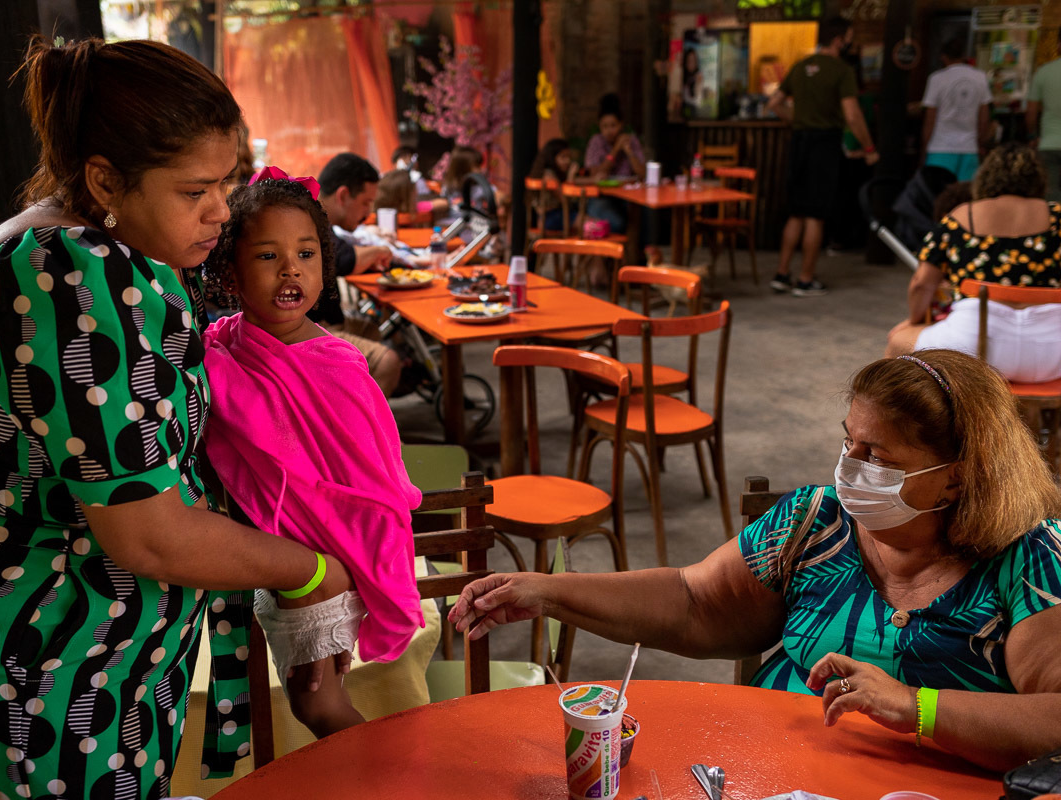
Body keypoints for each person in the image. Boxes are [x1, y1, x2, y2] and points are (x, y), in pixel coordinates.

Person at [0, 36, 352, 799]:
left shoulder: (101, 250)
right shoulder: (70, 274)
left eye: (227, 183)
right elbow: (149, 532)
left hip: (68, 649)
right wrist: (312, 570)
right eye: (195, 190)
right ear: (104, 177)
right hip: (31, 653)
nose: (219, 211)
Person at [450, 348, 1061, 773]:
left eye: (877, 456)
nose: (850, 465)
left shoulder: (1027, 562)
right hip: (773, 769)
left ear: (955, 479)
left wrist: (915, 707)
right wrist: (550, 592)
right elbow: (695, 601)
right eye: (849, 440)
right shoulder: (816, 523)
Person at [199, 171, 423, 737]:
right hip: (286, 552)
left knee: (317, 704)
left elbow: (372, 473)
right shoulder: (230, 340)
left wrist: (361, 563)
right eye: (268, 255)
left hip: (326, 549)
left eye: (306, 253)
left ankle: (382, 781)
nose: (290, 269)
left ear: (325, 266)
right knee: (314, 699)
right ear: (230, 270)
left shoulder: (336, 362)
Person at [886, 143, 1061, 382]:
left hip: (972, 347)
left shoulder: (961, 216)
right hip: (1052, 349)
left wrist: (914, 321)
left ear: (986, 177)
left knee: (897, 342)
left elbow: (921, 285)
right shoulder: (1057, 216)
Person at [766, 16, 879, 297]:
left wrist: (797, 121)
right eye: (850, 37)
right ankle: (805, 279)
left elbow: (774, 103)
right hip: (824, 143)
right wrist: (869, 148)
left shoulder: (801, 67)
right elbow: (853, 115)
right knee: (815, 215)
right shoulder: (842, 71)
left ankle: (782, 274)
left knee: (796, 212)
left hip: (799, 143)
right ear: (839, 40)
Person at [312, 152, 401, 396]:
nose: (368, 212)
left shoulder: (316, 216)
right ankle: (358, 432)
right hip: (307, 328)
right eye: (365, 203)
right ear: (343, 195)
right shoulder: (311, 219)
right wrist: (379, 251)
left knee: (372, 331)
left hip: (320, 321)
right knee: (388, 362)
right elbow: (343, 259)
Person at [921, 37, 992, 183]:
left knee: (938, 195)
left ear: (943, 57)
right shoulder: (980, 77)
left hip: (940, 148)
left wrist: (924, 147)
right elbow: (984, 116)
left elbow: (930, 118)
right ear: (964, 56)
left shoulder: (936, 78)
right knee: (965, 197)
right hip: (969, 147)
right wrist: (980, 142)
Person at [583, 92, 645, 235]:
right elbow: (596, 175)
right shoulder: (596, 142)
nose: (609, 131)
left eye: (613, 126)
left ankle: (641, 255)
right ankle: (614, 254)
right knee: (616, 223)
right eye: (605, 126)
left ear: (621, 125)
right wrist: (616, 150)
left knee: (644, 215)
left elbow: (642, 174)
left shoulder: (631, 141)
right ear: (599, 126)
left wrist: (629, 152)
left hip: (627, 196)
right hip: (601, 197)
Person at [1027, 28, 1061, 203]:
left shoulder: (1044, 72)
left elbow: (1031, 113)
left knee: (1051, 199)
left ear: (1058, 45)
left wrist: (1032, 136)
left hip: (1048, 144)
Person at [528, 137, 580, 232]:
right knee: (593, 225)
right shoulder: (549, 176)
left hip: (556, 215)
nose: (567, 161)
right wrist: (571, 177)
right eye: (563, 157)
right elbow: (565, 201)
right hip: (551, 218)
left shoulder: (555, 173)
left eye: (569, 157)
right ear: (551, 158)